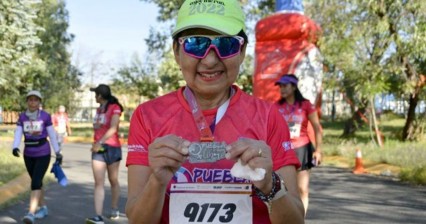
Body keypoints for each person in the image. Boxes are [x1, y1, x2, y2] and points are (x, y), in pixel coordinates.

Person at [125, 1, 305, 223]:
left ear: (241, 52)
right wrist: (157, 182)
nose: (210, 60)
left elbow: (295, 220)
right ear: (176, 52)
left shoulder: (268, 116)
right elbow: (137, 220)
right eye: (195, 44)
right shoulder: (147, 116)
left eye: (226, 44)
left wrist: (271, 184)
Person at [275, 74, 323, 215]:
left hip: (302, 148)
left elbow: (316, 127)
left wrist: (318, 150)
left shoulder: (306, 105)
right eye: (280, 86)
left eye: (285, 86)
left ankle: (300, 218)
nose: (282, 89)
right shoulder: (276, 107)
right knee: (284, 189)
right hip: (283, 150)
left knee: (302, 189)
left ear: (294, 87)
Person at [11, 90, 62, 224]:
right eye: (30, 100)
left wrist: (57, 152)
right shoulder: (22, 117)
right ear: (27, 101)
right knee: (37, 182)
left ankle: (31, 213)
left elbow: (51, 134)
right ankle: (43, 208)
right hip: (28, 154)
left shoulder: (45, 116)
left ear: (39, 102)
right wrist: (15, 147)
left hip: (43, 153)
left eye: (35, 100)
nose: (32, 102)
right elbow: (18, 133)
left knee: (35, 183)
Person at [86, 84, 123, 224]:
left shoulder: (115, 108)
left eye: (95, 94)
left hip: (112, 147)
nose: (95, 97)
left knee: (113, 180)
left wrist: (100, 142)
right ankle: (98, 216)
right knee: (98, 183)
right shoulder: (98, 109)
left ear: (100, 96)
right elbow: (99, 127)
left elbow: (113, 128)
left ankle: (114, 208)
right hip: (98, 150)